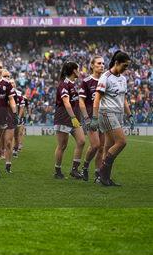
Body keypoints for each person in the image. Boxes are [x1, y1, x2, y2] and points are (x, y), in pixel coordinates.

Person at [90, 51, 133, 186]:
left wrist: (129, 114)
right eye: (124, 66)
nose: (126, 69)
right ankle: (102, 172)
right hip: (106, 112)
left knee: (108, 145)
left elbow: (124, 99)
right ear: (116, 63)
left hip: (117, 114)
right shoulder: (105, 77)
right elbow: (97, 99)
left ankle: (104, 179)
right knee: (121, 142)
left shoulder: (123, 79)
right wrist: (95, 117)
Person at [53, 61, 86, 180]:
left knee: (82, 141)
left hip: (74, 119)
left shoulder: (73, 84)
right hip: (63, 118)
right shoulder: (64, 84)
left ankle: (74, 170)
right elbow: (66, 103)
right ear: (73, 71)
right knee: (62, 145)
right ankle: (57, 170)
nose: (80, 71)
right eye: (78, 69)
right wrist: (73, 117)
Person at [78, 55, 105, 182]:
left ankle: (98, 174)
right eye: (99, 63)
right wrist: (86, 118)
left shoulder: (106, 80)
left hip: (104, 116)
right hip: (90, 116)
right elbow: (81, 101)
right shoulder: (87, 81)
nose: (102, 65)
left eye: (103, 63)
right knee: (95, 145)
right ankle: (85, 166)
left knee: (102, 148)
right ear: (92, 65)